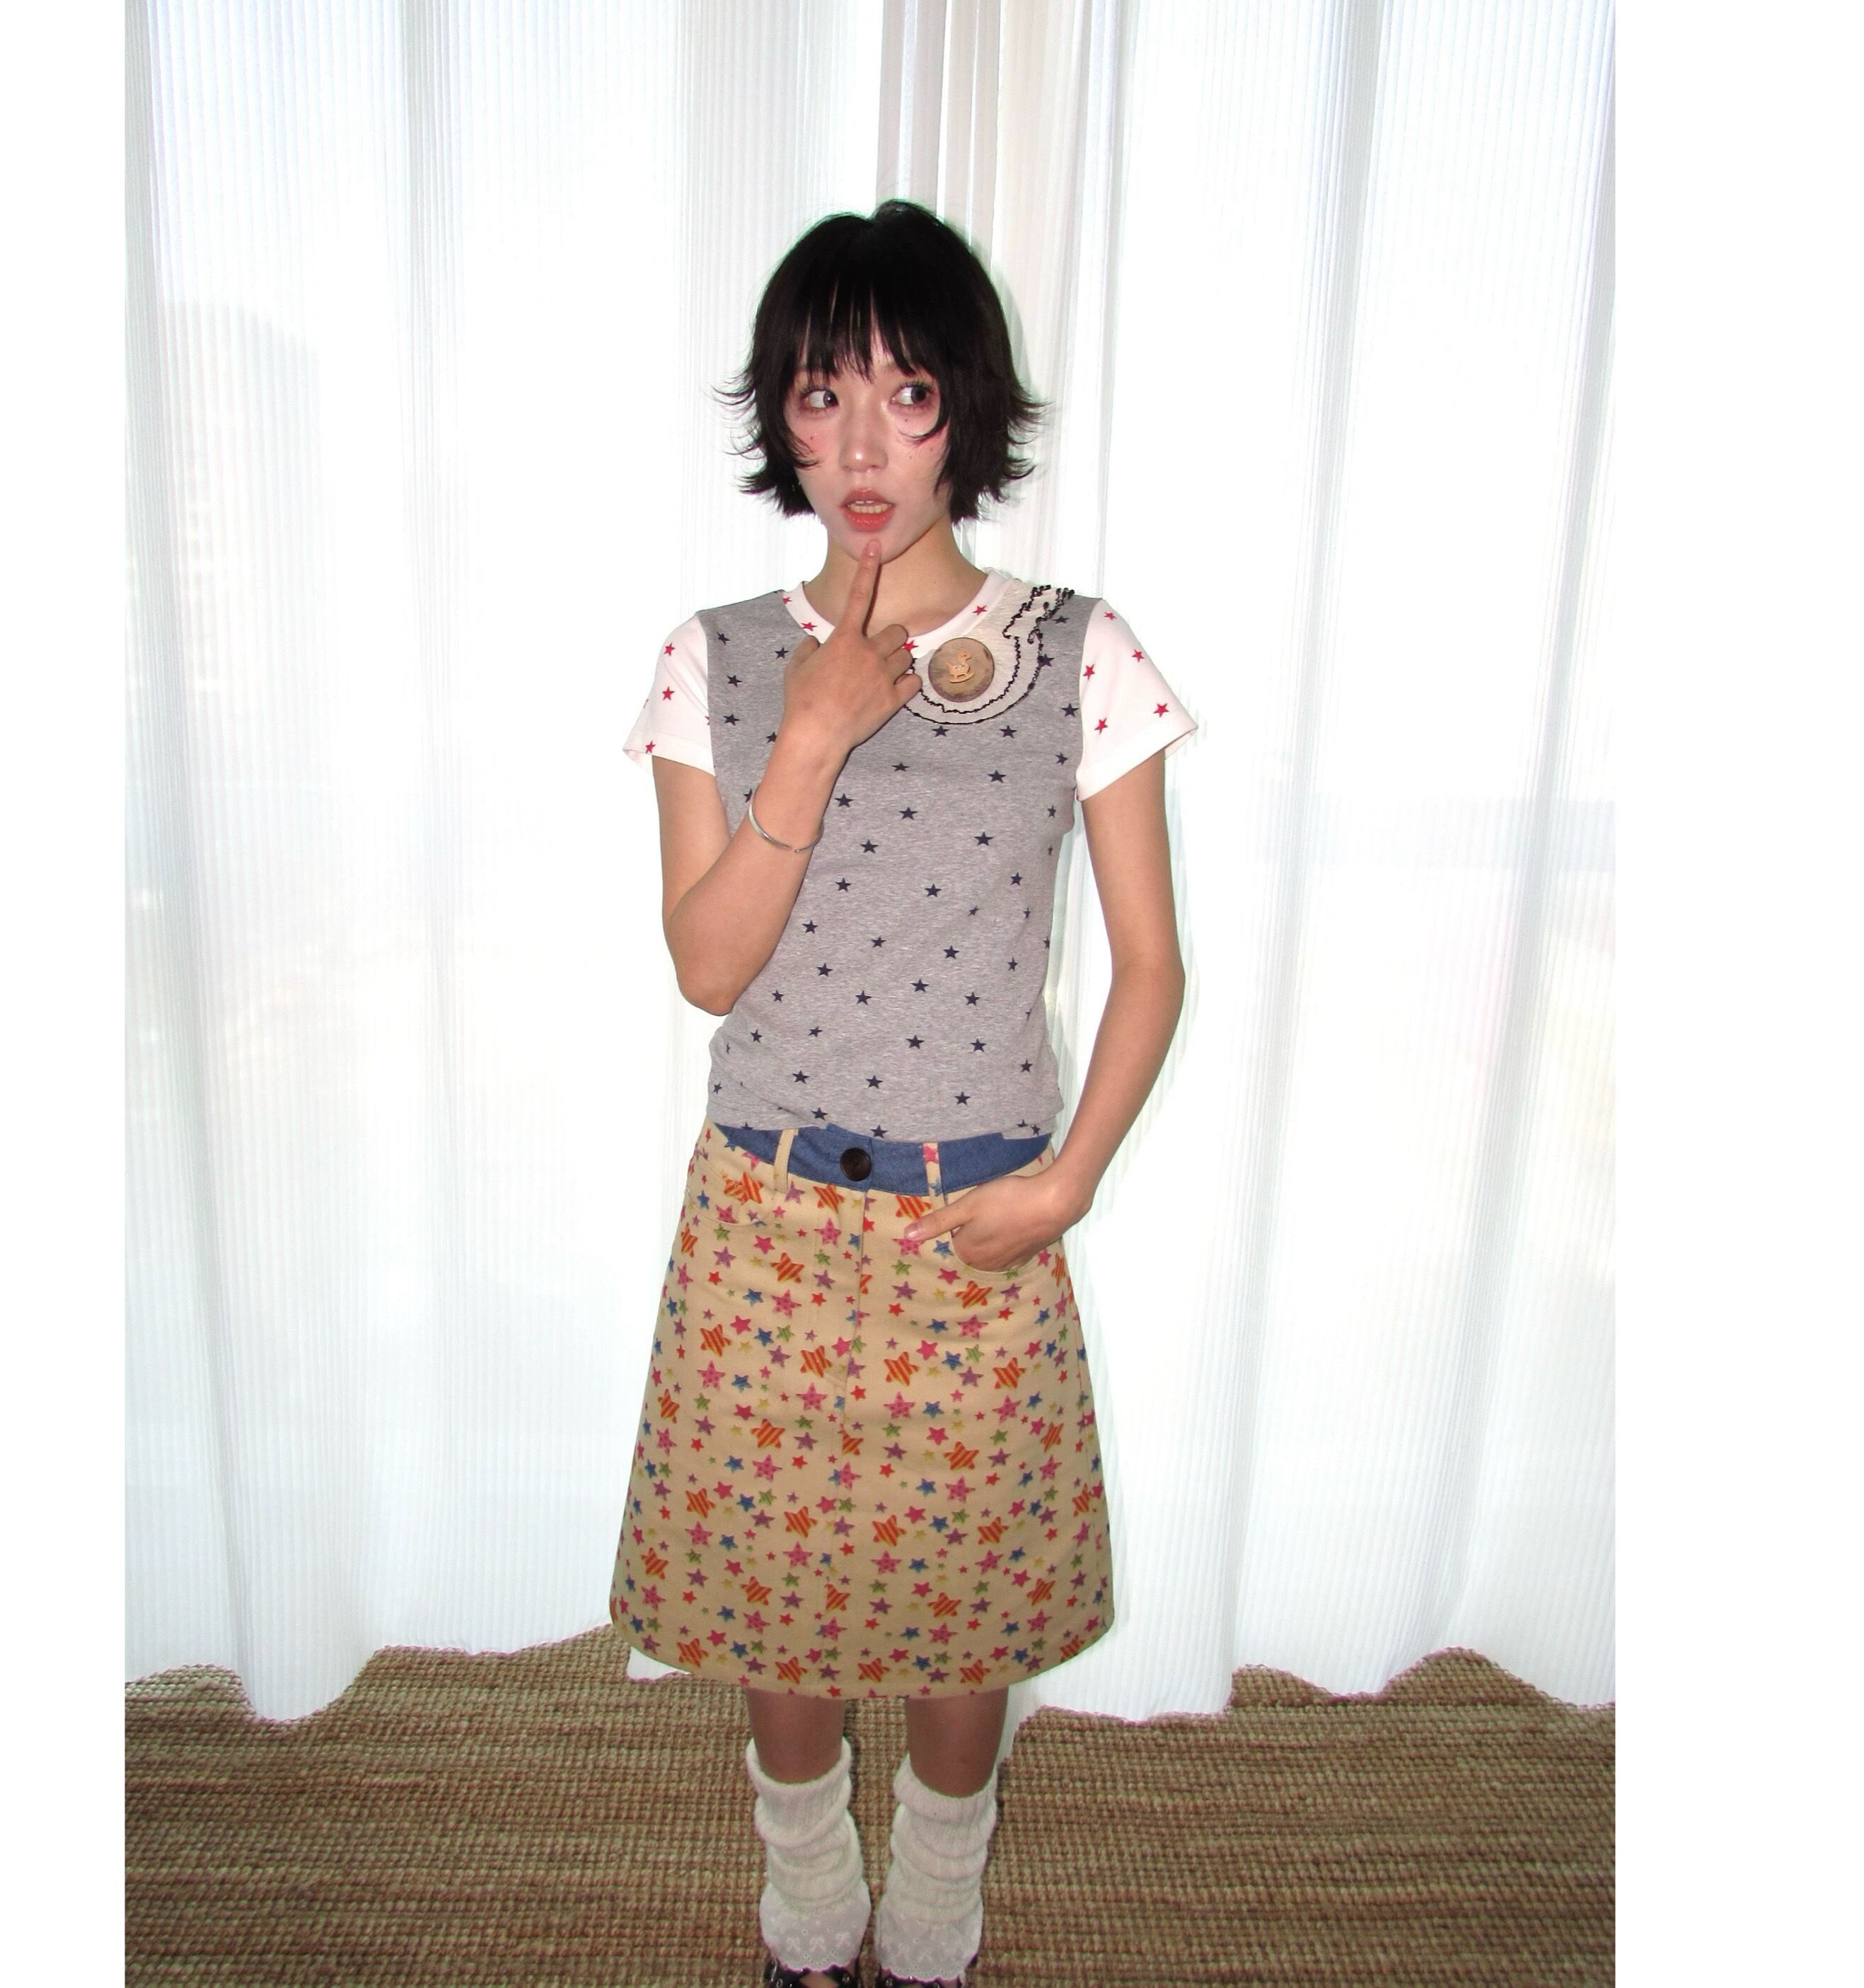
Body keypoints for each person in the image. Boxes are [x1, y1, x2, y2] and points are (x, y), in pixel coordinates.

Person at [609, 200, 1193, 1988]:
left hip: (980, 1211)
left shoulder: (1080, 649)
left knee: (971, 1592)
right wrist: (809, 732)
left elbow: (1149, 967)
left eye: (907, 394)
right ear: (779, 422)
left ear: (966, 412)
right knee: (768, 1588)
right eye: (820, 396)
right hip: (768, 1207)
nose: (862, 446)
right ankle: (806, 1890)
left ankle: (937, 1894)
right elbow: (708, 965)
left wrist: (1068, 1180)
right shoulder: (714, 653)